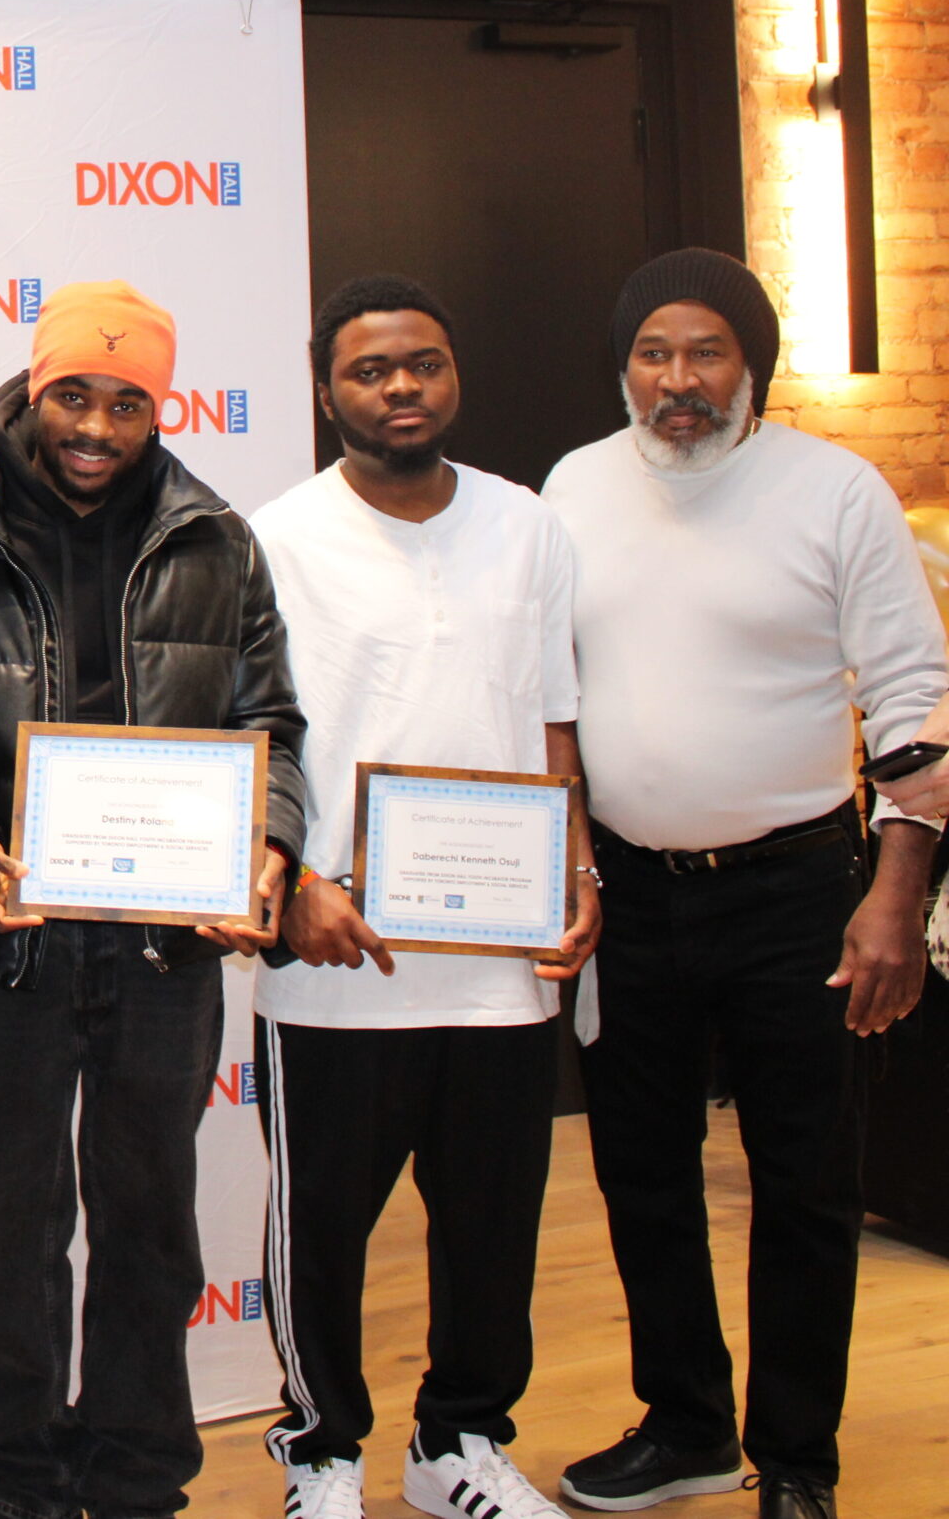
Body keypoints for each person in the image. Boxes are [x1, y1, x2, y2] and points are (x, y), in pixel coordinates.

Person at [0, 280, 305, 1519]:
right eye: (74, 395)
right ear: (32, 387)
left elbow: (270, 728)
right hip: (8, 943)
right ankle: (22, 1479)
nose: (96, 426)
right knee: (8, 1231)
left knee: (152, 1224)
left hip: (166, 948)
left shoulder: (216, 538)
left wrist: (261, 851)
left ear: (156, 408)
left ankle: (138, 1481)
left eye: (126, 401)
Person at [541, 250, 943, 1519]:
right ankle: (686, 1426)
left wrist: (894, 898)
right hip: (632, 900)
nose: (678, 381)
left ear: (749, 365)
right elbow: (550, 694)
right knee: (642, 1174)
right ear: (623, 367)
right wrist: (567, 863)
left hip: (799, 895)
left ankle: (796, 1462)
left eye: (705, 352)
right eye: (654, 353)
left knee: (804, 1184)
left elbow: (917, 705)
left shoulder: (836, 491)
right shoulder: (574, 486)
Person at [247, 276, 599, 1519]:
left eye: (425, 364)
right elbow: (252, 735)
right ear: (325, 389)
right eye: (371, 370)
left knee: (493, 1229)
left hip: (500, 961)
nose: (401, 388)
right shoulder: (275, 536)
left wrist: (576, 869)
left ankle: (459, 1446)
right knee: (322, 1234)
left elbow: (551, 716)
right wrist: (289, 885)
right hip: (335, 955)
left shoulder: (527, 526)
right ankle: (323, 1453)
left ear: (454, 377)